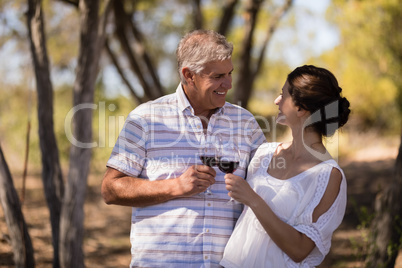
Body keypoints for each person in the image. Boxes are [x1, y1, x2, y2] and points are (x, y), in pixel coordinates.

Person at [101, 29, 266, 267]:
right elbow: (110, 189)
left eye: (230, 73)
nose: (228, 84)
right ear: (189, 75)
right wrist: (176, 186)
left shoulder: (245, 123)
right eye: (218, 76)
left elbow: (268, 185)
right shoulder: (146, 118)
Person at [220, 65, 351, 267]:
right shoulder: (264, 153)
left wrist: (253, 199)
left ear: (300, 108)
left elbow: (299, 250)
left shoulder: (329, 176)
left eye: (283, 95)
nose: (276, 101)